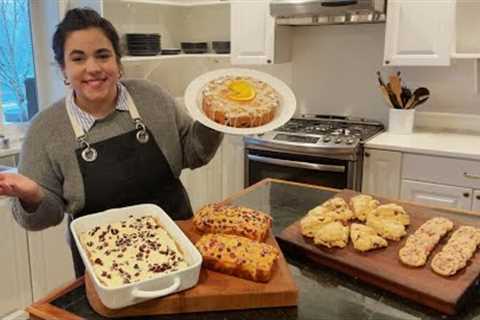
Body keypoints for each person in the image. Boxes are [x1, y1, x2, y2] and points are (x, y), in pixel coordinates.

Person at [0, 7, 223, 278]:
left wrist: (216, 118)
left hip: (178, 250)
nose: (92, 68)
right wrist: (32, 196)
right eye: (78, 58)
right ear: (63, 69)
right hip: (106, 271)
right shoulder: (44, 130)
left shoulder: (152, 97)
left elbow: (193, 153)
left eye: (103, 55)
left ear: (118, 62)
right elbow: (48, 215)